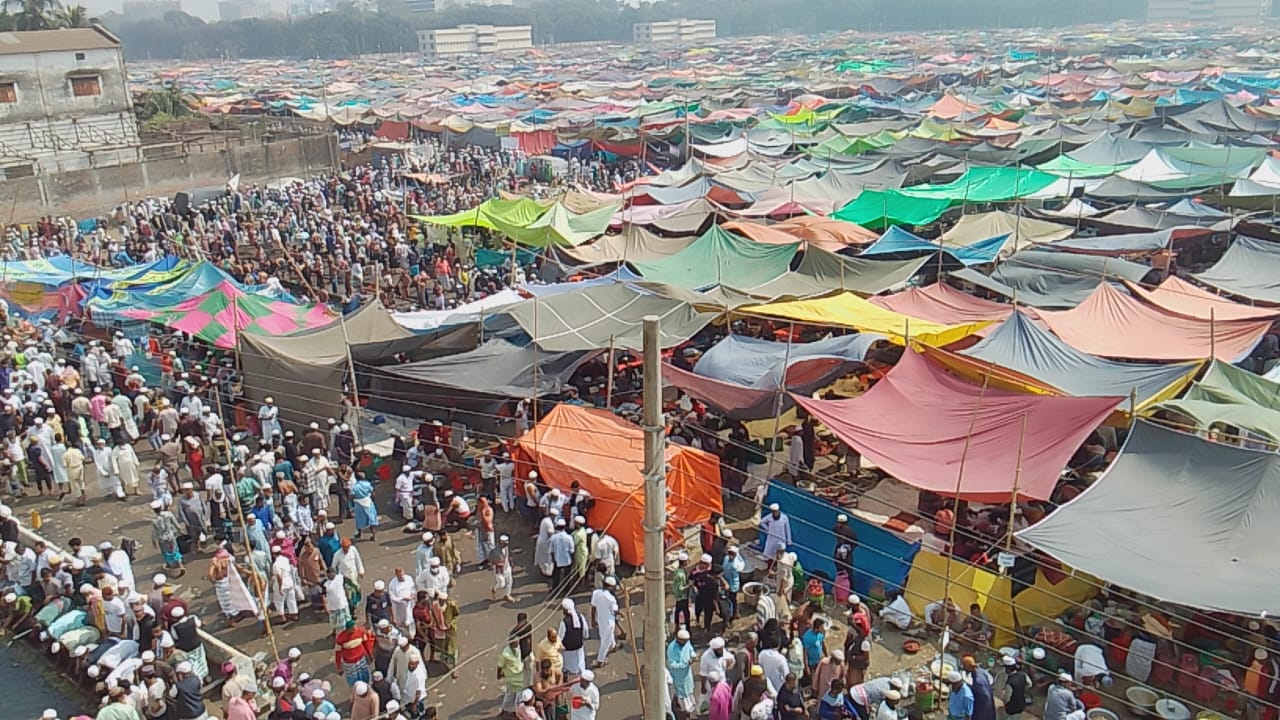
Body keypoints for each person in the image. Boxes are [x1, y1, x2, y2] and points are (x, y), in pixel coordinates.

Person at [335, 618, 376, 687]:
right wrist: (338, 667)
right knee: (353, 680)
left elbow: (365, 644)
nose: (356, 628)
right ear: (348, 629)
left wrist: (370, 654)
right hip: (349, 663)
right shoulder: (340, 638)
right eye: (353, 628)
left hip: (361, 659)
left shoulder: (360, 632)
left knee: (365, 676)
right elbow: (338, 653)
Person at [590, 576, 619, 668]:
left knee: (606, 636)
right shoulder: (611, 598)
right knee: (605, 641)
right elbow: (615, 611)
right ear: (610, 587)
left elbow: (593, 607)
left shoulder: (596, 593)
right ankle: (600, 660)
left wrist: (592, 619)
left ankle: (613, 646)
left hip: (600, 619)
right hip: (609, 621)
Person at [667, 628, 695, 718]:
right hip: (678, 677)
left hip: (687, 676)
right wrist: (686, 663)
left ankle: (687, 712)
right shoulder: (672, 649)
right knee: (681, 697)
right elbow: (673, 665)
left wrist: (693, 656)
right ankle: (683, 714)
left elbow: (690, 650)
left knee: (689, 693)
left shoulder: (687, 643)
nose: (686, 642)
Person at [559, 597, 589, 677]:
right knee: (580, 665)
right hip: (579, 647)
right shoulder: (580, 617)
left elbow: (560, 637)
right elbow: (585, 630)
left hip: (568, 651)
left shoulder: (564, 622)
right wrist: (585, 637)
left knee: (568, 669)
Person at [497, 636, 525, 720]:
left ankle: (515, 713)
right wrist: (499, 675)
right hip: (511, 680)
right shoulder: (505, 654)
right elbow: (499, 666)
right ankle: (504, 711)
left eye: (517, 644)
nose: (516, 646)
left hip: (520, 678)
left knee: (518, 698)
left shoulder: (520, 649)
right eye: (514, 644)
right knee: (509, 696)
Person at [1000, 655, 1032, 720]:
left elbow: (1006, 699)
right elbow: (1030, 684)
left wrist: (1002, 695)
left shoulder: (1010, 683)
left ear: (1008, 669)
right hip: (1021, 705)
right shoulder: (1023, 675)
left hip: (1011, 709)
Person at [965, 655, 997, 720]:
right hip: (988, 706)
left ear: (968, 667)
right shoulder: (981, 671)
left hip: (982, 709)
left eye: (964, 666)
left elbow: (985, 697)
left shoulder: (978, 682)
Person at [351, 474, 379, 541]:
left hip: (359, 504)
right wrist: (374, 501)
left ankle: (359, 533)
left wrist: (352, 501)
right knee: (371, 519)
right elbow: (372, 493)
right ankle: (374, 535)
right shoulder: (367, 484)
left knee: (359, 519)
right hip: (368, 502)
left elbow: (351, 495)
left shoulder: (355, 487)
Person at [490, 534, 515, 603]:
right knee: (501, 584)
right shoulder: (495, 551)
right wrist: (497, 564)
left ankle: (507, 595)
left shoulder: (506, 548)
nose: (506, 544)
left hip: (507, 567)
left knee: (509, 582)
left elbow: (508, 556)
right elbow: (491, 559)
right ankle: (494, 588)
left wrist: (511, 562)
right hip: (499, 570)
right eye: (504, 543)